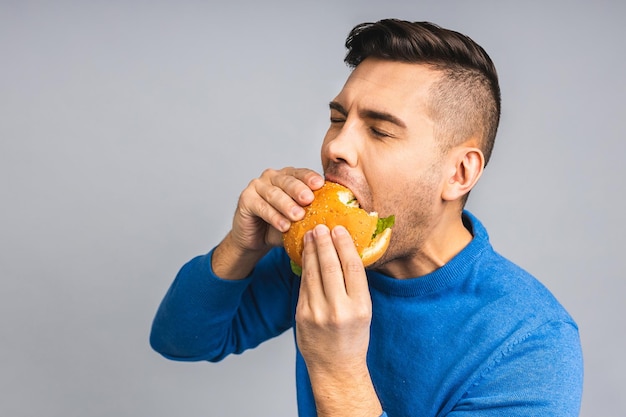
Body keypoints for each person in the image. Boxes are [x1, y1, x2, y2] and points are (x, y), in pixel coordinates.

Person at [150, 19, 583, 416]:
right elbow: (179, 340)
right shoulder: (323, 256)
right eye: (338, 119)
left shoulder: (532, 344)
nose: (336, 146)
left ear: (459, 173)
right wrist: (239, 246)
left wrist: (337, 371)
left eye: (379, 130)